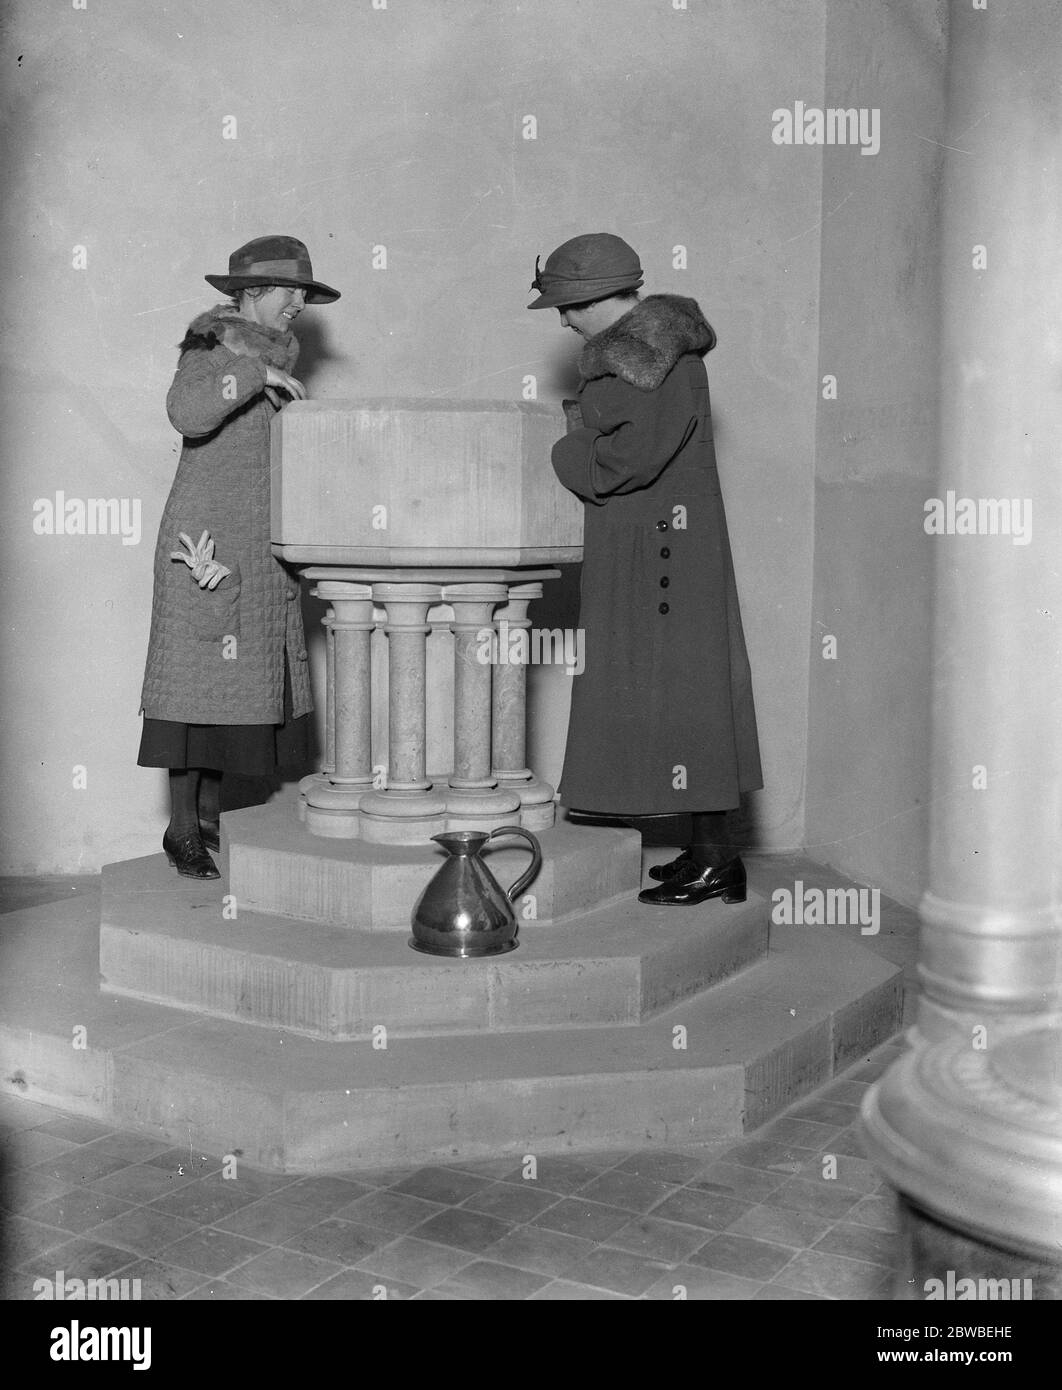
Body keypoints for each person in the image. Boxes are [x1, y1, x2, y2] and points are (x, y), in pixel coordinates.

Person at [528, 233, 762, 907]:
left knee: (685, 699)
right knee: (684, 695)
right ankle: (712, 854)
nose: (564, 320)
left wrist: (566, 452)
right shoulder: (649, 359)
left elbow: (623, 462)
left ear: (598, 298)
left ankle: (718, 860)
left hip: (659, 550)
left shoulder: (649, 363)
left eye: (567, 306)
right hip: (656, 542)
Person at [138, 236, 340, 878]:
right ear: (252, 294)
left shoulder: (278, 357)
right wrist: (256, 374)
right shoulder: (215, 347)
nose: (299, 304)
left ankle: (205, 821)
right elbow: (186, 413)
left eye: (305, 293)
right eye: (291, 292)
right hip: (206, 548)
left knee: (232, 691)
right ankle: (180, 830)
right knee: (194, 690)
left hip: (254, 550)